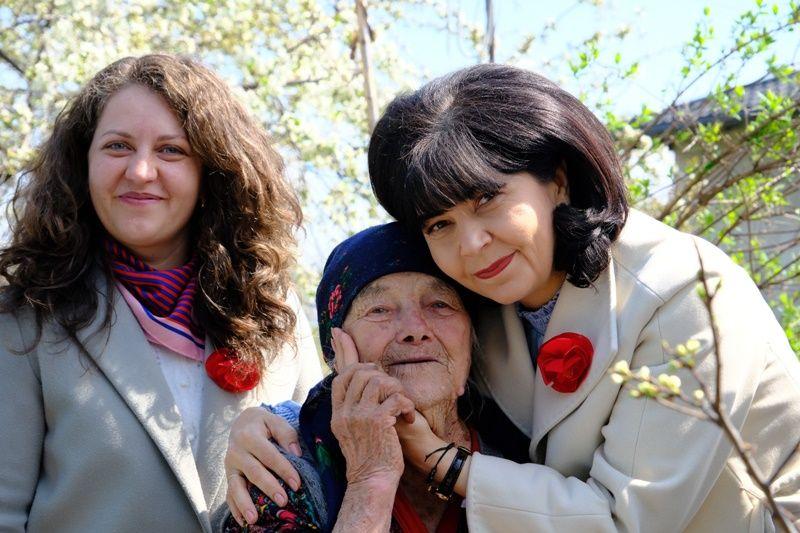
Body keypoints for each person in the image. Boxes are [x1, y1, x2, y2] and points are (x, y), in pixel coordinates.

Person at [226, 64, 800, 532]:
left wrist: (440, 460)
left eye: (487, 200)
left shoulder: (682, 293)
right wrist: (270, 424)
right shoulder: (488, 297)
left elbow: (625, 522)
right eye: (439, 224)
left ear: (558, 179)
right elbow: (396, 373)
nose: (471, 245)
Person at [0, 54, 322, 533]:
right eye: (117, 146)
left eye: (171, 150)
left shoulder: (274, 310)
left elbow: (322, 480)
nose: (140, 171)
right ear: (83, 164)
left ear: (212, 171)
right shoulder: (25, 319)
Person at [220, 222, 527, 532]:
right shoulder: (278, 469)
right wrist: (370, 479)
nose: (415, 330)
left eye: (439, 304)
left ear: (471, 340)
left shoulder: (529, 453)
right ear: (336, 349)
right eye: (379, 310)